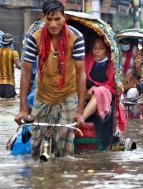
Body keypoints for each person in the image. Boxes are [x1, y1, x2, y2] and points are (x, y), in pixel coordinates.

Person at [15, 0, 86, 159]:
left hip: (68, 94)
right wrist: (23, 108)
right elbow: (26, 73)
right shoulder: (35, 38)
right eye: (49, 19)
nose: (53, 24)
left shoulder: (76, 38)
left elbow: (81, 74)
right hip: (43, 95)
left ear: (64, 18)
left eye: (57, 19)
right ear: (43, 18)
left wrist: (80, 112)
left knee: (65, 146)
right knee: (36, 146)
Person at [0, 33, 21, 98]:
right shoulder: (14, 53)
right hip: (9, 84)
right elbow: (18, 66)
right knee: (9, 104)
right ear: (11, 42)